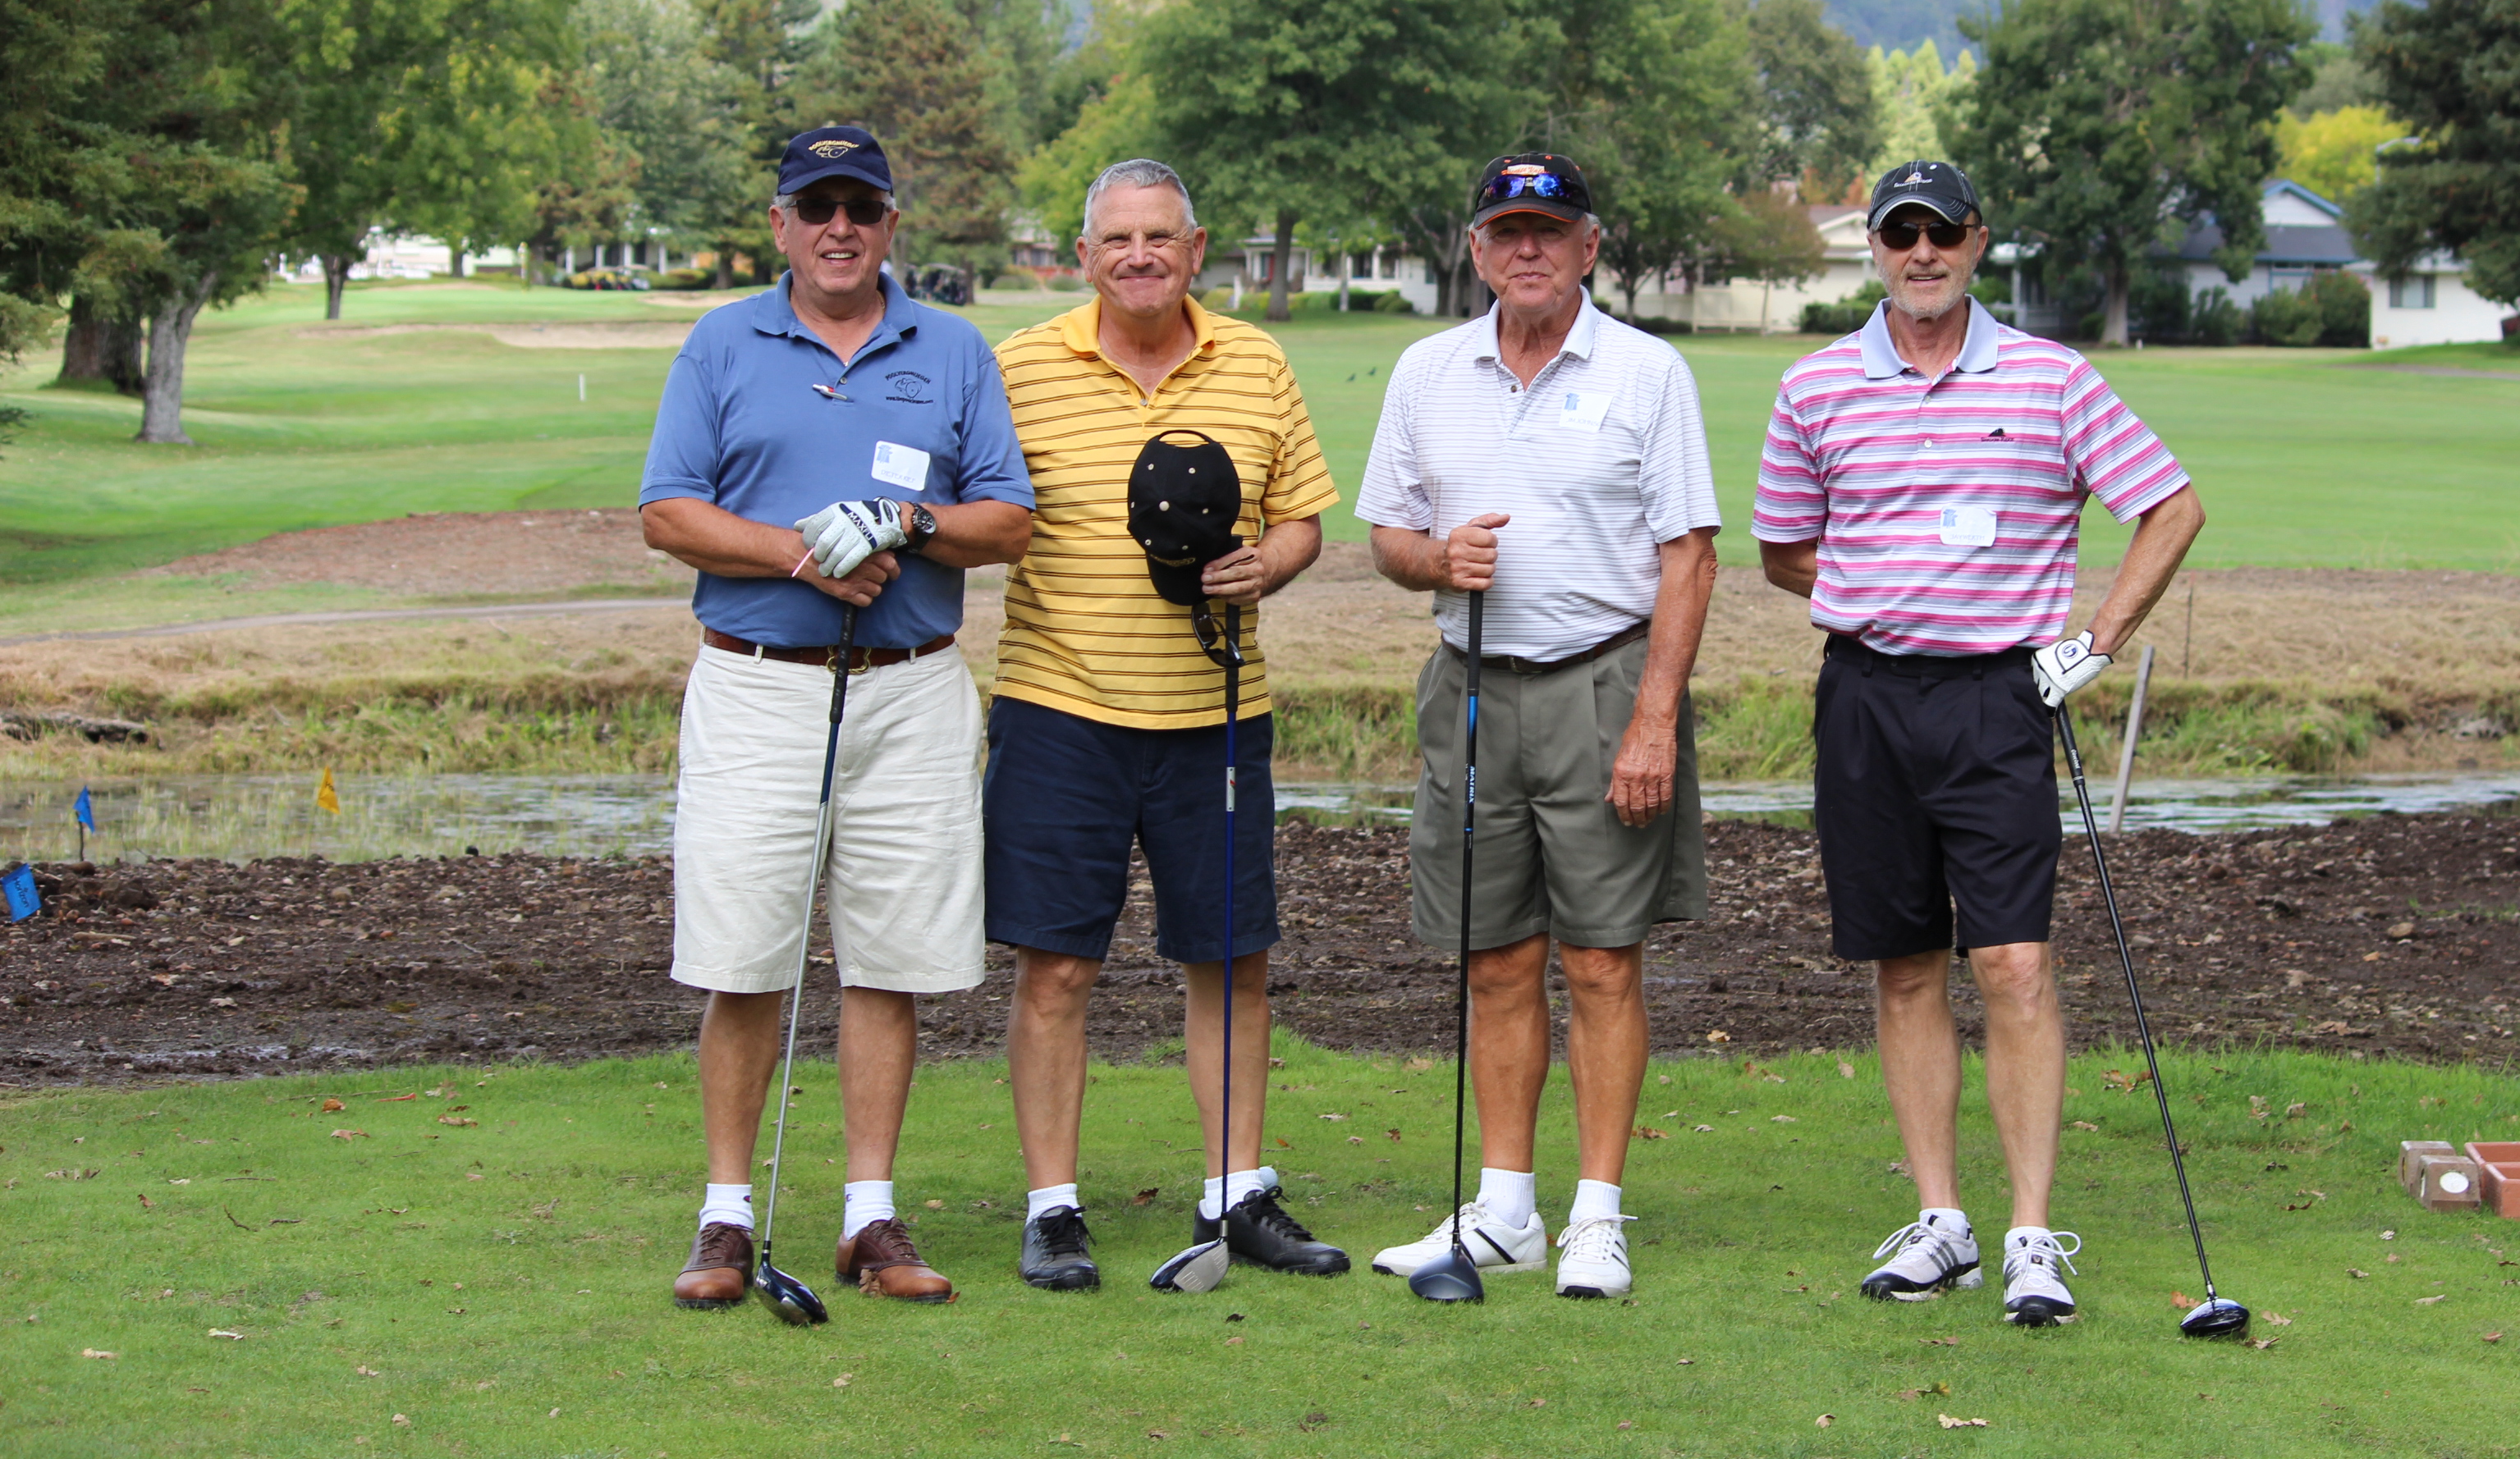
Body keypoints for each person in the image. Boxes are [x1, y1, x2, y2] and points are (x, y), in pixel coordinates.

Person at [1751, 158, 2205, 1328]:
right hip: (1866, 697)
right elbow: (1784, 549)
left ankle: (2031, 1235)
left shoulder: (2051, 378)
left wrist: (2096, 642)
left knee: (2013, 964)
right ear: (1875, 247)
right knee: (1905, 964)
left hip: (2001, 702)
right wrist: (1882, 581)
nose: (1922, 254)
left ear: (1977, 240)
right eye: (1901, 234)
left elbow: (2171, 506)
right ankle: (1941, 1221)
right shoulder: (1815, 385)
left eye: (1942, 233)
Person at [640, 125, 1035, 1310]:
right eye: (817, 207)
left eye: (861, 206)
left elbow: (1009, 518)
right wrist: (802, 554)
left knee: (890, 957)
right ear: (781, 224)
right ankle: (725, 1216)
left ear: (891, 223)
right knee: (743, 954)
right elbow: (667, 511)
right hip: (760, 682)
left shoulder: (952, 349)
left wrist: (909, 523)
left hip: (910, 687)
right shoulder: (722, 342)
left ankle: (871, 1216)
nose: (840, 228)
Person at [1360, 153, 1719, 1301]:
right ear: (1476, 249)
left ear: (1589, 247)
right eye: (1507, 230)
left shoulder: (1647, 372)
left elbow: (1689, 557)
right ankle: (1506, 1210)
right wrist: (1437, 559)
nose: (1528, 249)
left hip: (1603, 684)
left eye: (1550, 231)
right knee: (1495, 955)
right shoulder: (1426, 371)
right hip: (1469, 689)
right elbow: (1388, 539)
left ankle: (1596, 1216)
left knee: (1603, 960)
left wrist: (1654, 720)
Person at [987, 158, 1348, 1290]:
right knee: (1056, 970)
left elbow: (1302, 520)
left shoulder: (1257, 360)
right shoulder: (1019, 366)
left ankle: (1236, 1193)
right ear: (1084, 255)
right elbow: (978, 514)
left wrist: (1268, 564)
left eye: (1160, 237)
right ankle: (1053, 1211)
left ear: (1196, 250)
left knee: (1230, 961)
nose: (1138, 256)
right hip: (1060, 711)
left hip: (1218, 713)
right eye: (1117, 239)